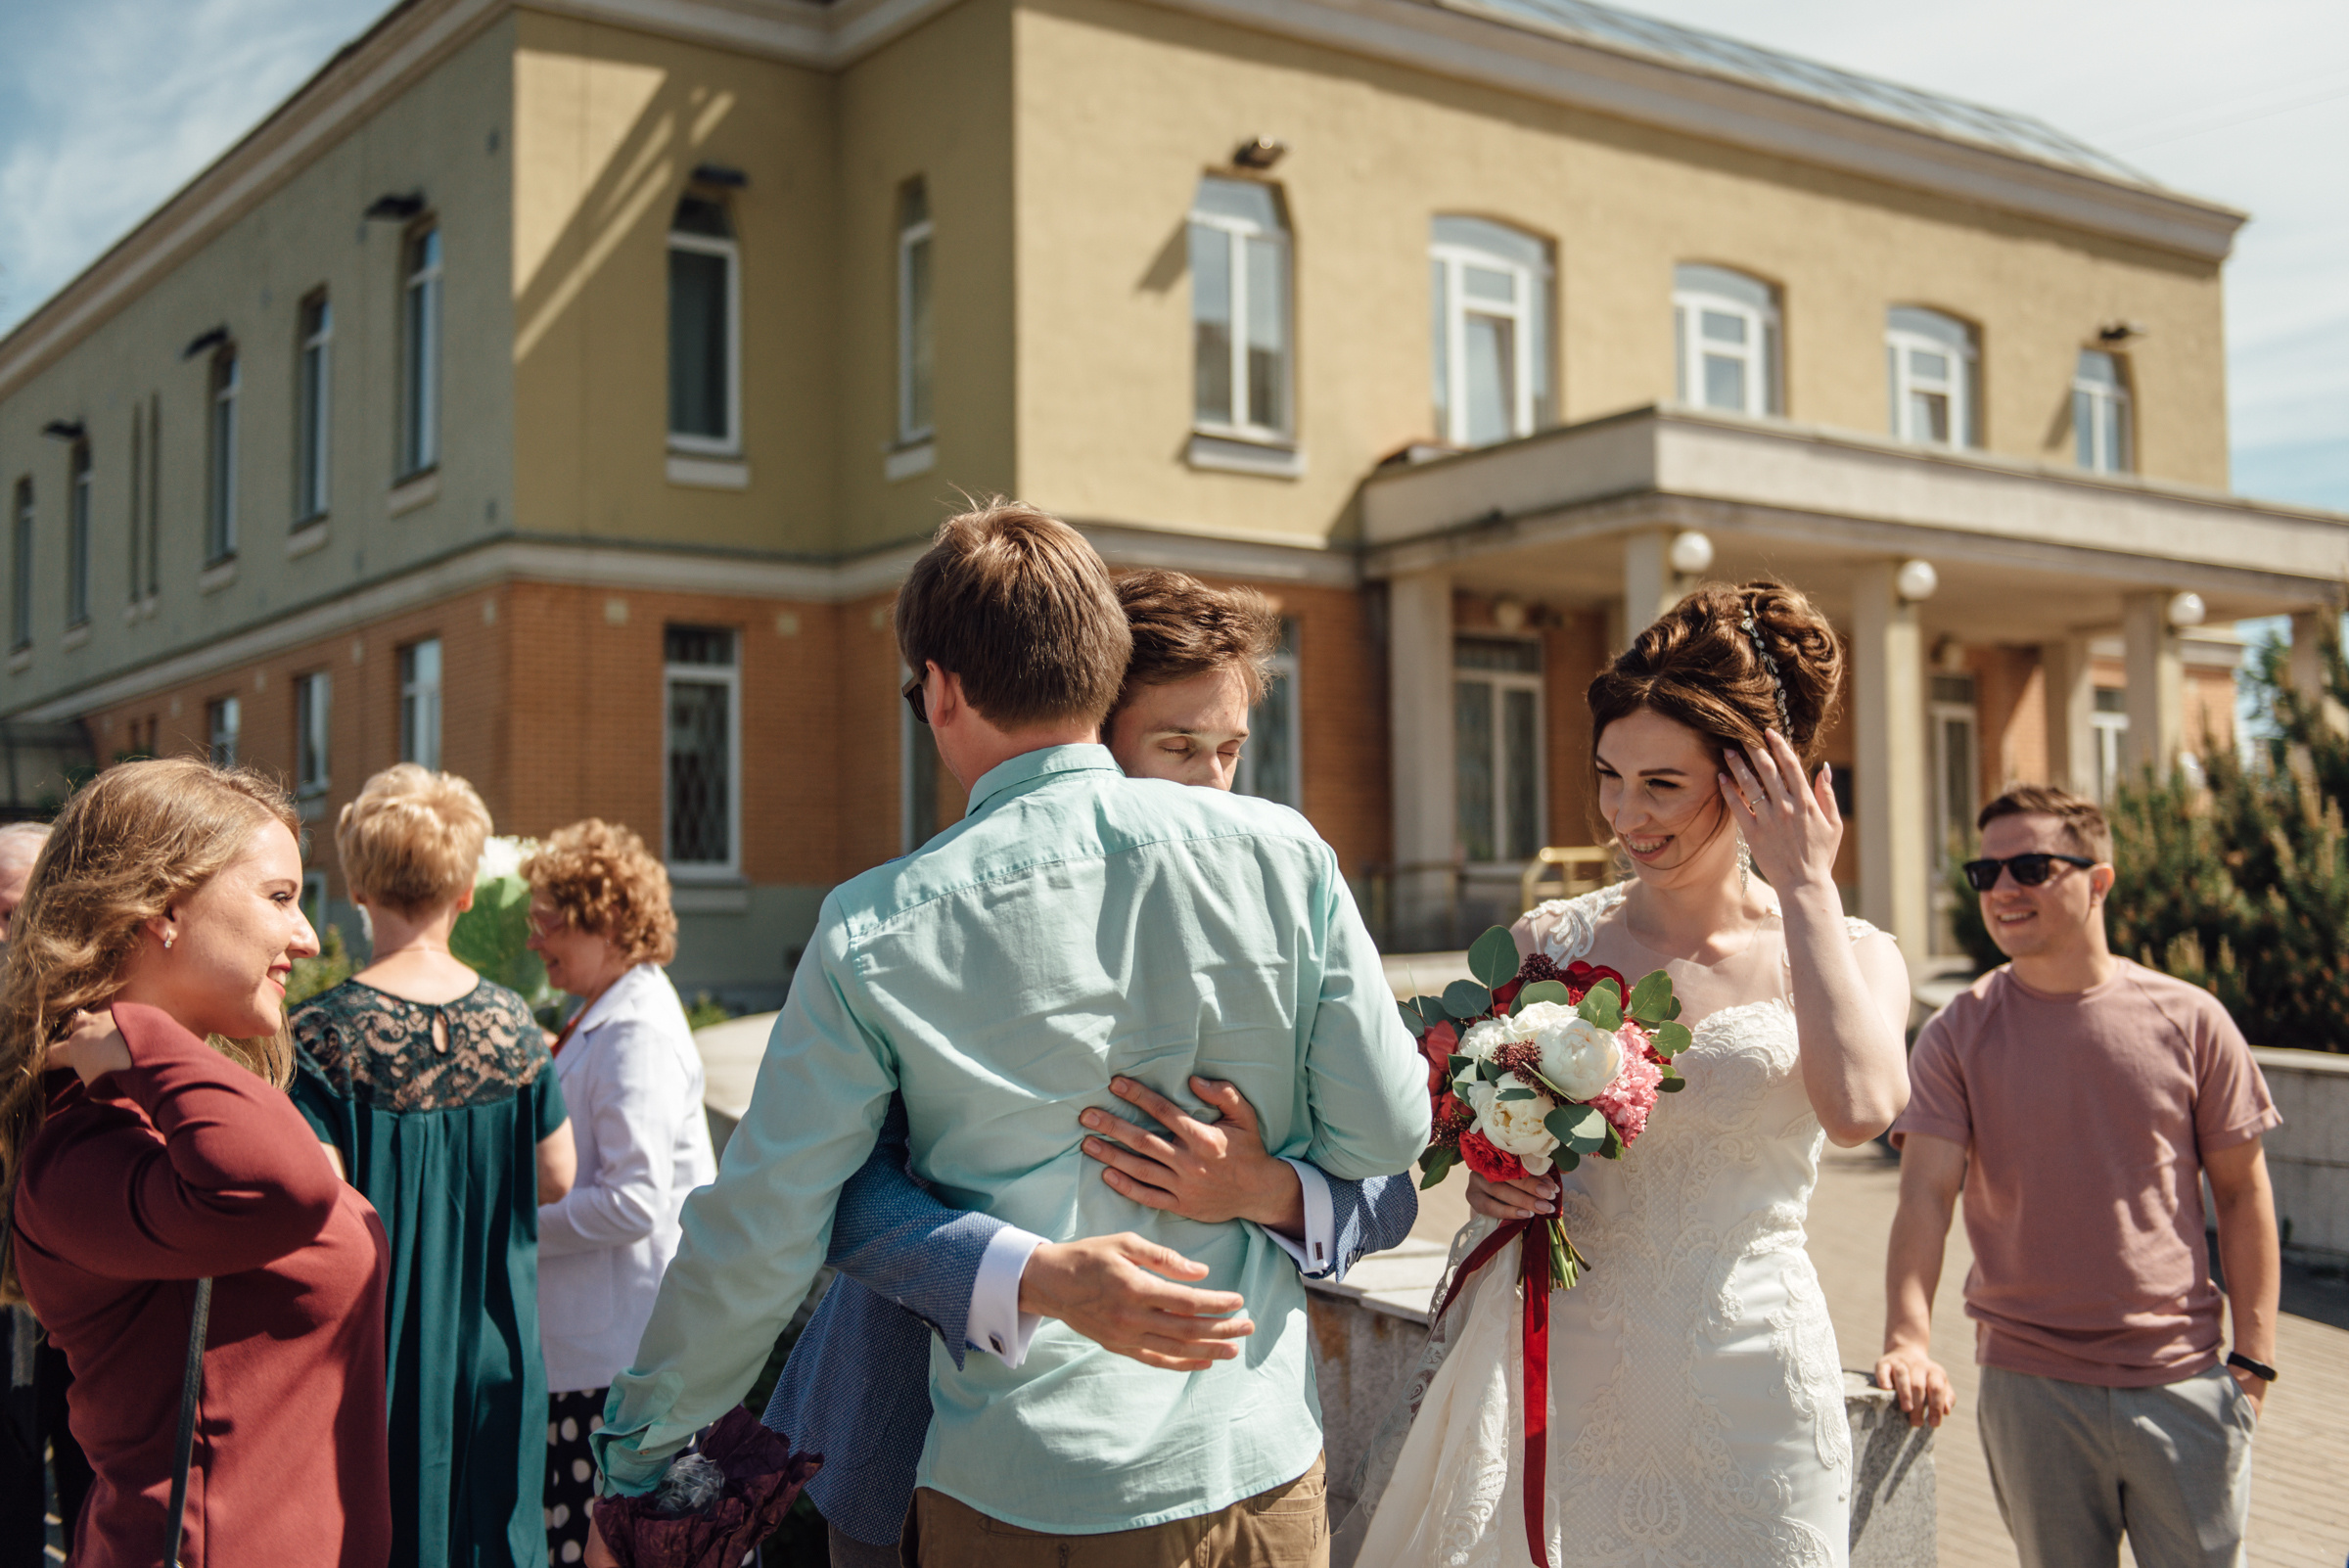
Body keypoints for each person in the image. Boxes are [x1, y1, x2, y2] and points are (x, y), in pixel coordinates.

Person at [585, 500, 1428, 1565]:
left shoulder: (877, 924)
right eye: (1183, 744)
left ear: (938, 689)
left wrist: (639, 1457)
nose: (1215, 773)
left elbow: (759, 1227)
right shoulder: (1288, 853)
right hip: (1249, 1464)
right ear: (1102, 674)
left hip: (1023, 1487)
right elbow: (1391, 1133)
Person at [1357, 581, 1911, 1568]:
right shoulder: (1547, 942)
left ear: (1755, 783)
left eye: (1662, 784)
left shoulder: (1849, 951)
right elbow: (1458, 1114)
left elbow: (1865, 1109)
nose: (1624, 815)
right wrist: (1494, 1174)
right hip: (1571, 1367)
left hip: (1756, 1377)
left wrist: (1807, 887)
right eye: (1611, 776)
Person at [1874, 784, 2279, 1568]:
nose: (2003, 890)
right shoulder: (1959, 1032)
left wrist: (2253, 1362)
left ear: (2098, 880)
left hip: (2183, 1380)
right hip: (2031, 1387)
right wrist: (1908, 1338)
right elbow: (1926, 1193)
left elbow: (2242, 1192)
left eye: (2030, 866)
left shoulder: (2191, 1019)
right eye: (1984, 873)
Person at [0, 759, 392, 1565]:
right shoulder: (84, 1145)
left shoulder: (180, 1105)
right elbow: (281, 1186)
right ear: (163, 909)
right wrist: (139, 1040)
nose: (308, 936)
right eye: (281, 898)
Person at [290, 765, 577, 1568]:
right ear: (463, 894)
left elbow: (310, 1202)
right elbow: (558, 1176)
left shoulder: (317, 1032)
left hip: (373, 1353)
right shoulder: (512, 1023)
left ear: (357, 884)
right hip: (496, 1341)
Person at [526, 820, 714, 1566]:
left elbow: (634, 1200)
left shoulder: (634, 1027)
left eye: (545, 922)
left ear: (598, 916)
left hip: (612, 1367)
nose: (536, 942)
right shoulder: (609, 1014)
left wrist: (512, 1226)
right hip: (601, 1356)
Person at [0, 821, 94, 1568]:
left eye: (33, 913)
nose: (20, 938)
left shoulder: (108, 1023)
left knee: (97, 1500)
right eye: (5, 915)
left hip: (91, 1307)